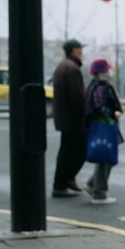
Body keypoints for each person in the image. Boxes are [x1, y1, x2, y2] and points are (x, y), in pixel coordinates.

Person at [83, 58, 123, 204]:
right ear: (101, 71)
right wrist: (114, 113)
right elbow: (99, 106)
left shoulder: (99, 85)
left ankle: (92, 184)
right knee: (105, 158)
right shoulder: (101, 87)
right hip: (104, 126)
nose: (109, 72)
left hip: (102, 126)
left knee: (106, 158)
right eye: (107, 69)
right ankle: (99, 193)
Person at [51, 39, 87, 197]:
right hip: (73, 119)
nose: (82, 51)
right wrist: (84, 117)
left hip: (64, 118)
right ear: (73, 50)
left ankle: (66, 181)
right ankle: (62, 183)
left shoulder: (62, 66)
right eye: (80, 48)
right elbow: (77, 97)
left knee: (67, 150)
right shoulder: (72, 69)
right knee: (78, 150)